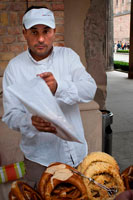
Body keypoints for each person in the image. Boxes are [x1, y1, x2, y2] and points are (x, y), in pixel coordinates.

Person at [2, 6, 97, 187]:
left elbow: (89, 89)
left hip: (76, 157)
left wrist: (59, 88)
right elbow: (10, 115)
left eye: (46, 31)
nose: (40, 39)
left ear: (54, 31)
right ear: (24, 33)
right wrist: (29, 121)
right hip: (39, 161)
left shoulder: (68, 57)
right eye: (34, 32)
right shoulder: (14, 68)